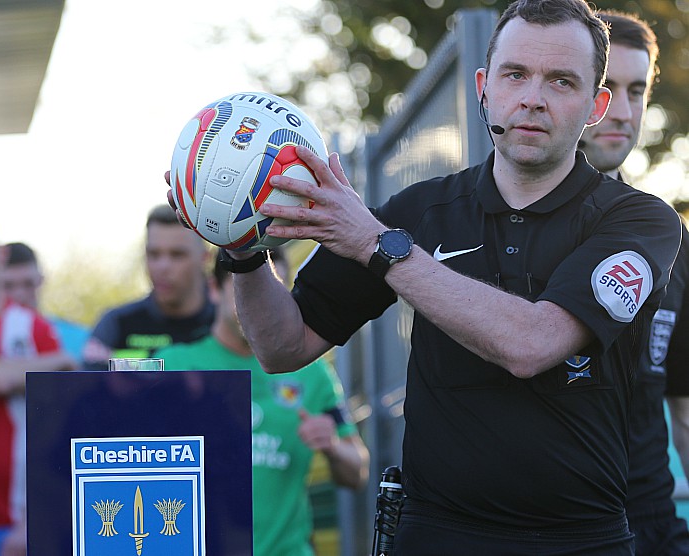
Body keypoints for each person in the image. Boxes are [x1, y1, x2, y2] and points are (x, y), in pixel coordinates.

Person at [167, 0, 683, 553]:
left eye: (561, 81)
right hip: (434, 538)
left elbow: (532, 343)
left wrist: (377, 247)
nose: (533, 97)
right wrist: (244, 249)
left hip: (582, 543)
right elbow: (281, 346)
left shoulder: (638, 220)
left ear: (595, 105)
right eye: (515, 75)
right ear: (484, 86)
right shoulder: (419, 213)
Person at [154, 248, 369, 556]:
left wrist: (333, 445)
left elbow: (358, 471)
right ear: (214, 290)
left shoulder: (313, 372)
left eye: (275, 291)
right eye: (248, 286)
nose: (262, 303)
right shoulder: (173, 366)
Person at [579, 11, 689, 554]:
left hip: (652, 527)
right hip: (547, 531)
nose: (621, 112)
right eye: (605, 89)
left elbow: (683, 408)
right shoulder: (500, 227)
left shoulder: (672, 237)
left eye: (637, 90)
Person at [0, 222, 75, 556]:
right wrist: (62, 360)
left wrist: (36, 517)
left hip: (16, 525)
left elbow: (61, 429)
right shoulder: (53, 351)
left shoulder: (33, 328)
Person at [82, 204, 214, 370]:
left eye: (177, 255)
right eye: (154, 254)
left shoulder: (227, 324)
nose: (163, 267)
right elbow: (87, 391)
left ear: (205, 258)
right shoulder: (118, 323)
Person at [2, 242, 89, 364]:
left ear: (41, 280)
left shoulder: (82, 339)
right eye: (8, 285)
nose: (19, 294)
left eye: (28, 284)